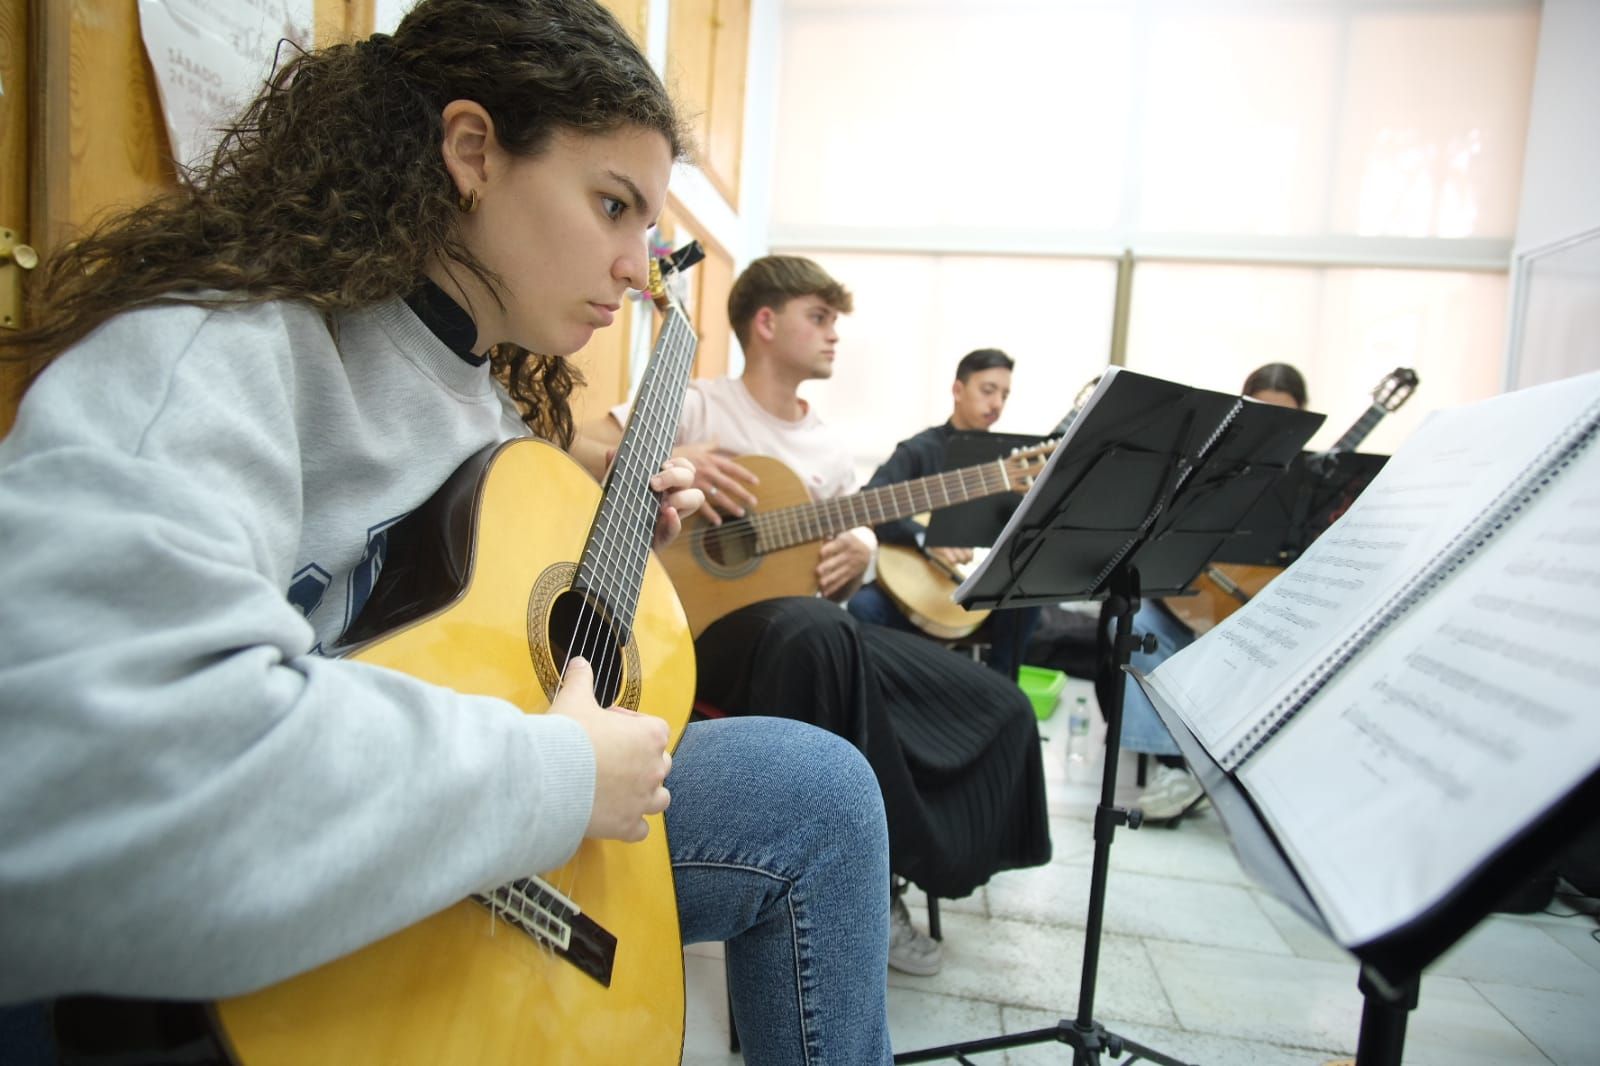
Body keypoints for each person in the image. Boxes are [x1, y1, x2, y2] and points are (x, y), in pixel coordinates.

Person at [0, 4, 892, 1064]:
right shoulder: (216, 354)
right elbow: (85, 785)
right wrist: (556, 776)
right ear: (471, 150)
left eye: (646, 231)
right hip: (223, 941)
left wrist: (611, 561)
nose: (630, 264)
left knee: (818, 793)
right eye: (611, 205)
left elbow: (462, 632)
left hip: (468, 825)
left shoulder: (495, 415)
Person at [581, 256, 1052, 978]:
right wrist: (665, 457)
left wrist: (861, 548)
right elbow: (570, 444)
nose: (836, 335)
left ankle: (882, 866)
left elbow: (847, 537)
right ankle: (857, 890)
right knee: (820, 630)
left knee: (994, 701)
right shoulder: (700, 405)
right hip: (694, 634)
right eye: (820, 317)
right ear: (766, 324)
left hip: (809, 645)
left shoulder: (829, 448)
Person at [1113, 362, 1311, 821]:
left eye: (1288, 416)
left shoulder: (1312, 484)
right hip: (1196, 611)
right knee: (1134, 623)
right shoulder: (1210, 469)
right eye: (1264, 412)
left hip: (1263, 622)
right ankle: (1173, 767)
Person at [845, 348, 1042, 680]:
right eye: (988, 390)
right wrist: (925, 538)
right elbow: (868, 506)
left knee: (1028, 599)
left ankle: (1000, 693)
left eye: (1004, 395)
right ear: (958, 390)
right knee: (864, 608)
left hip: (973, 586)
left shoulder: (1006, 462)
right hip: (916, 585)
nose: (996, 404)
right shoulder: (919, 451)